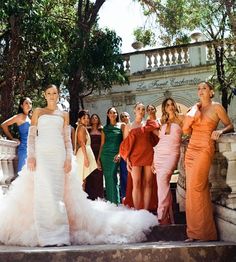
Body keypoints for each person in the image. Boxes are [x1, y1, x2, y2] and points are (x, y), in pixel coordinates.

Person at [0, 84, 157, 247]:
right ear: (44, 95)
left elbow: (67, 140)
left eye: (55, 93)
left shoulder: (64, 114)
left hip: (59, 156)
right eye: (49, 93)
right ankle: (45, 234)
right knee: (43, 192)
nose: (52, 96)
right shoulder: (38, 112)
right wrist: (31, 156)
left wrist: (68, 158)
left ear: (58, 95)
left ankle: (59, 235)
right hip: (42, 155)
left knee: (56, 192)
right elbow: (32, 137)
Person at [183, 81, 234, 242]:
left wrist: (220, 130)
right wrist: (192, 115)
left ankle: (203, 234)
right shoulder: (195, 108)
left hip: (205, 147)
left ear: (211, 92)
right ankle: (197, 233)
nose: (201, 90)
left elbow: (230, 125)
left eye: (204, 88)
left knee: (196, 187)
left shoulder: (217, 107)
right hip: (191, 148)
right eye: (198, 88)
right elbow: (186, 130)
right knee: (194, 190)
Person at [120, 102, 159, 210]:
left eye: (143, 109)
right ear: (134, 110)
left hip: (148, 155)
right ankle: (138, 212)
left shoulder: (148, 124)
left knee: (148, 183)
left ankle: (145, 211)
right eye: (139, 109)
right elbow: (125, 145)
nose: (141, 111)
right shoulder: (128, 126)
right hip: (134, 157)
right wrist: (127, 160)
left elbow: (159, 135)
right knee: (136, 183)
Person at [153, 98, 184, 225]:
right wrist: (152, 161)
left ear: (175, 106)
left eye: (172, 104)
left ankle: (161, 215)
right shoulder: (163, 121)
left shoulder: (182, 118)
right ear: (164, 108)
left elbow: (189, 132)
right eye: (167, 105)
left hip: (172, 153)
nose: (170, 107)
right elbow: (161, 140)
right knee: (162, 185)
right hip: (159, 154)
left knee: (163, 181)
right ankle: (168, 219)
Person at [98, 107, 125, 204]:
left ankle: (116, 203)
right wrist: (98, 159)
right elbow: (102, 144)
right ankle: (110, 203)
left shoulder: (122, 126)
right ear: (108, 115)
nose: (112, 114)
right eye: (110, 113)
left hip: (116, 154)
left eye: (114, 113)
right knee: (108, 178)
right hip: (105, 155)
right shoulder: (104, 128)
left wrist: (119, 154)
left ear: (117, 114)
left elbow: (124, 142)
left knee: (113, 176)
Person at [1, 97, 32, 173]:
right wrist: (12, 138)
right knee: (22, 173)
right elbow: (3, 125)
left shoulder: (29, 117)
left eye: (30, 103)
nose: (29, 105)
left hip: (31, 149)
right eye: (26, 103)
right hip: (24, 149)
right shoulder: (19, 116)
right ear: (21, 105)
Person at [74, 110, 97, 189]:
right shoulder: (82, 128)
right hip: (83, 155)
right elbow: (82, 143)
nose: (86, 120)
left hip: (84, 154)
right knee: (82, 179)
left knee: (83, 179)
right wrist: (86, 158)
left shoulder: (82, 127)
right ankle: (80, 199)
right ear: (79, 119)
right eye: (84, 118)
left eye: (87, 118)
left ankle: (81, 198)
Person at [86, 113, 104, 200]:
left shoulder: (101, 131)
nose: (94, 119)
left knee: (98, 175)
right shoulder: (87, 131)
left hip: (98, 154)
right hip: (89, 154)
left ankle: (99, 197)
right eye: (92, 118)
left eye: (96, 118)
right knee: (90, 175)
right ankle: (90, 197)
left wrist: (98, 159)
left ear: (98, 119)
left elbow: (102, 145)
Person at [119, 111, 131, 199]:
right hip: (123, 155)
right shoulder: (120, 129)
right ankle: (125, 197)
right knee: (124, 176)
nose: (124, 118)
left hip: (133, 154)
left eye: (125, 116)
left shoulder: (133, 126)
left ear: (129, 117)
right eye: (122, 117)